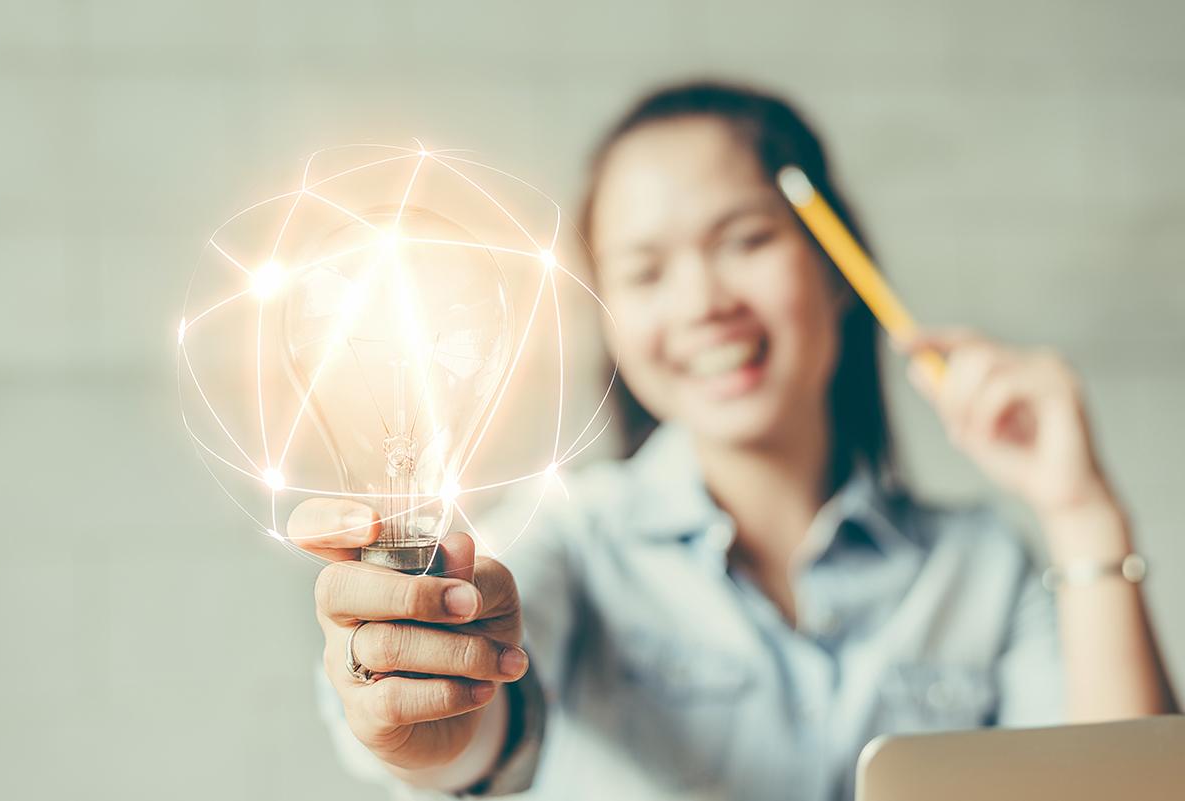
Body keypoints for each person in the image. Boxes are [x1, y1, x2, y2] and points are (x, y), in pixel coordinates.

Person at [287, 82, 1178, 800]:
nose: (703, 301)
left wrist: (1081, 511)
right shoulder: (574, 537)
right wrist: (423, 722)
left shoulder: (982, 568)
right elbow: (476, 735)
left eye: (744, 239)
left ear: (834, 268)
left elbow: (1124, 791)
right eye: (645, 270)